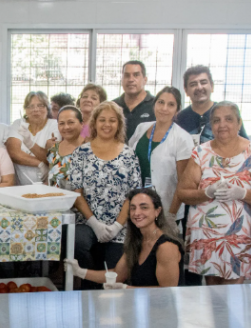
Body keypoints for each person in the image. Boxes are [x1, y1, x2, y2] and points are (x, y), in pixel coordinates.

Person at [177, 101, 251, 285]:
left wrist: (242, 193)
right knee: (212, 295)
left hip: (239, 236)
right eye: (216, 120)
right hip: (206, 237)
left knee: (232, 296)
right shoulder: (201, 152)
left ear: (239, 123)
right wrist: (207, 192)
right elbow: (183, 193)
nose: (222, 124)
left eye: (228, 119)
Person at [69, 101, 141, 288]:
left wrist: (116, 226)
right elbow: (77, 193)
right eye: (102, 120)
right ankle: (86, 290)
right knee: (78, 244)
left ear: (119, 124)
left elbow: (132, 195)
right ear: (94, 123)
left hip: (119, 226)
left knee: (114, 275)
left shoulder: (129, 154)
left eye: (112, 120)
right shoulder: (80, 153)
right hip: (87, 222)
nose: (107, 125)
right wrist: (95, 224)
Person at [65, 188, 183, 288]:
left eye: (144, 207)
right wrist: (80, 272)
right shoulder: (137, 240)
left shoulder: (166, 247)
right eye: (132, 208)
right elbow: (118, 275)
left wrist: (126, 289)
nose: (137, 213)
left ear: (157, 211)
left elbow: (167, 292)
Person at [126, 87, 193, 221]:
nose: (164, 108)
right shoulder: (141, 128)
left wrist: (171, 216)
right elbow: (128, 157)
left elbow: (182, 183)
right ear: (154, 104)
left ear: (177, 109)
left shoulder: (182, 138)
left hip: (165, 209)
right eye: (161, 102)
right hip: (137, 205)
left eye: (171, 104)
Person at [175, 65, 248, 145]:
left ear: (212, 86)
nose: (199, 87)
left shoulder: (228, 113)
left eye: (203, 82)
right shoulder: (179, 119)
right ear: (186, 90)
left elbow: (246, 146)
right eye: (193, 84)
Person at [6, 91, 61, 185]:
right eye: (31, 106)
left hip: (47, 186)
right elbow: (14, 153)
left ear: (47, 108)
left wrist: (29, 143)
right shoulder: (19, 124)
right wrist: (40, 164)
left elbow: (51, 156)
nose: (35, 110)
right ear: (25, 110)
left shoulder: (54, 125)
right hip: (20, 187)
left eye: (40, 105)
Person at [113, 61, 155, 140]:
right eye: (127, 75)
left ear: (145, 80)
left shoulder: (156, 105)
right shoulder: (113, 106)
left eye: (136, 75)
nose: (131, 79)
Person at [46, 105, 84, 188]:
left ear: (81, 124)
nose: (66, 127)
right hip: (55, 199)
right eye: (61, 123)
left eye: (71, 122)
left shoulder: (89, 149)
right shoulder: (53, 149)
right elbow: (51, 179)